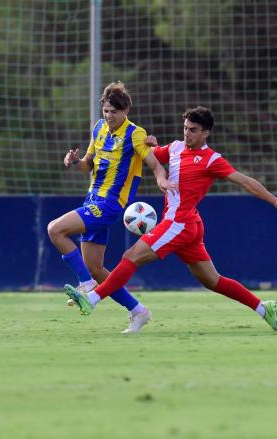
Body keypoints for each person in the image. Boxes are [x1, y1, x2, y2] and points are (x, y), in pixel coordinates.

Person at [65, 106, 277, 331]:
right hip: (189, 225)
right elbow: (146, 156)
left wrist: (274, 200)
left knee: (131, 256)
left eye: (193, 129)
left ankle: (92, 299)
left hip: (179, 222)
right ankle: (263, 308)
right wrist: (147, 143)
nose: (187, 133)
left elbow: (245, 181)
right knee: (212, 281)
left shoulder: (211, 159)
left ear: (206, 132)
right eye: (185, 128)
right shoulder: (176, 148)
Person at [47, 81, 175, 334]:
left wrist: (161, 177)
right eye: (105, 111)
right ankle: (138, 311)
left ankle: (85, 284)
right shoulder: (98, 129)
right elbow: (88, 165)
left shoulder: (135, 133)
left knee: (55, 230)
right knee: (96, 267)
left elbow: (152, 161)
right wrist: (75, 161)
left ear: (125, 110)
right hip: (91, 201)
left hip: (109, 205)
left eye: (113, 112)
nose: (108, 116)